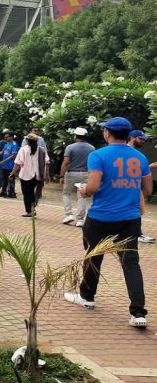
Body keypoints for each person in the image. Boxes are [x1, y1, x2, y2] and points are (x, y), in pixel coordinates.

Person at [65, 117, 151, 328]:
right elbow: (147, 190)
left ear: (107, 133)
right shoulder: (140, 157)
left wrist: (83, 190)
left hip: (101, 218)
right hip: (130, 219)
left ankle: (87, 297)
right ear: (128, 135)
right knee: (131, 263)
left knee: (94, 257)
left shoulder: (98, 155)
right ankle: (138, 313)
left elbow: (92, 187)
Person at [59, 127, 95, 227]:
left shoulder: (70, 147)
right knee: (82, 196)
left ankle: (69, 215)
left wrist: (61, 175)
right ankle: (80, 220)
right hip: (86, 174)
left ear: (75, 136)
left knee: (66, 194)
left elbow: (66, 163)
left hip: (71, 173)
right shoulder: (91, 148)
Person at [126, 130, 157, 244]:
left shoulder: (136, 153)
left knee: (135, 211)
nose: (143, 141)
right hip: (129, 188)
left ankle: (136, 234)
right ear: (132, 138)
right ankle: (136, 235)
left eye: (144, 139)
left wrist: (148, 167)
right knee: (134, 210)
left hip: (132, 187)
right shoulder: (130, 152)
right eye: (141, 139)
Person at [10, 132, 50, 217]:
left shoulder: (23, 149)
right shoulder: (42, 150)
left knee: (27, 194)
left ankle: (29, 211)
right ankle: (32, 208)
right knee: (33, 193)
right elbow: (47, 162)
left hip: (26, 175)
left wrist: (12, 173)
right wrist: (47, 175)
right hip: (38, 175)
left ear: (27, 141)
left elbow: (18, 163)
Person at [0, 131, 18, 198]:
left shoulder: (14, 144)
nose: (5, 138)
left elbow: (13, 156)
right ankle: (3, 192)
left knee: (11, 179)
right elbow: (2, 152)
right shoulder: (6, 144)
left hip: (11, 166)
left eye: (7, 137)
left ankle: (12, 193)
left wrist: (3, 161)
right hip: (5, 166)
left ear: (11, 137)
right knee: (4, 179)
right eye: (5, 137)